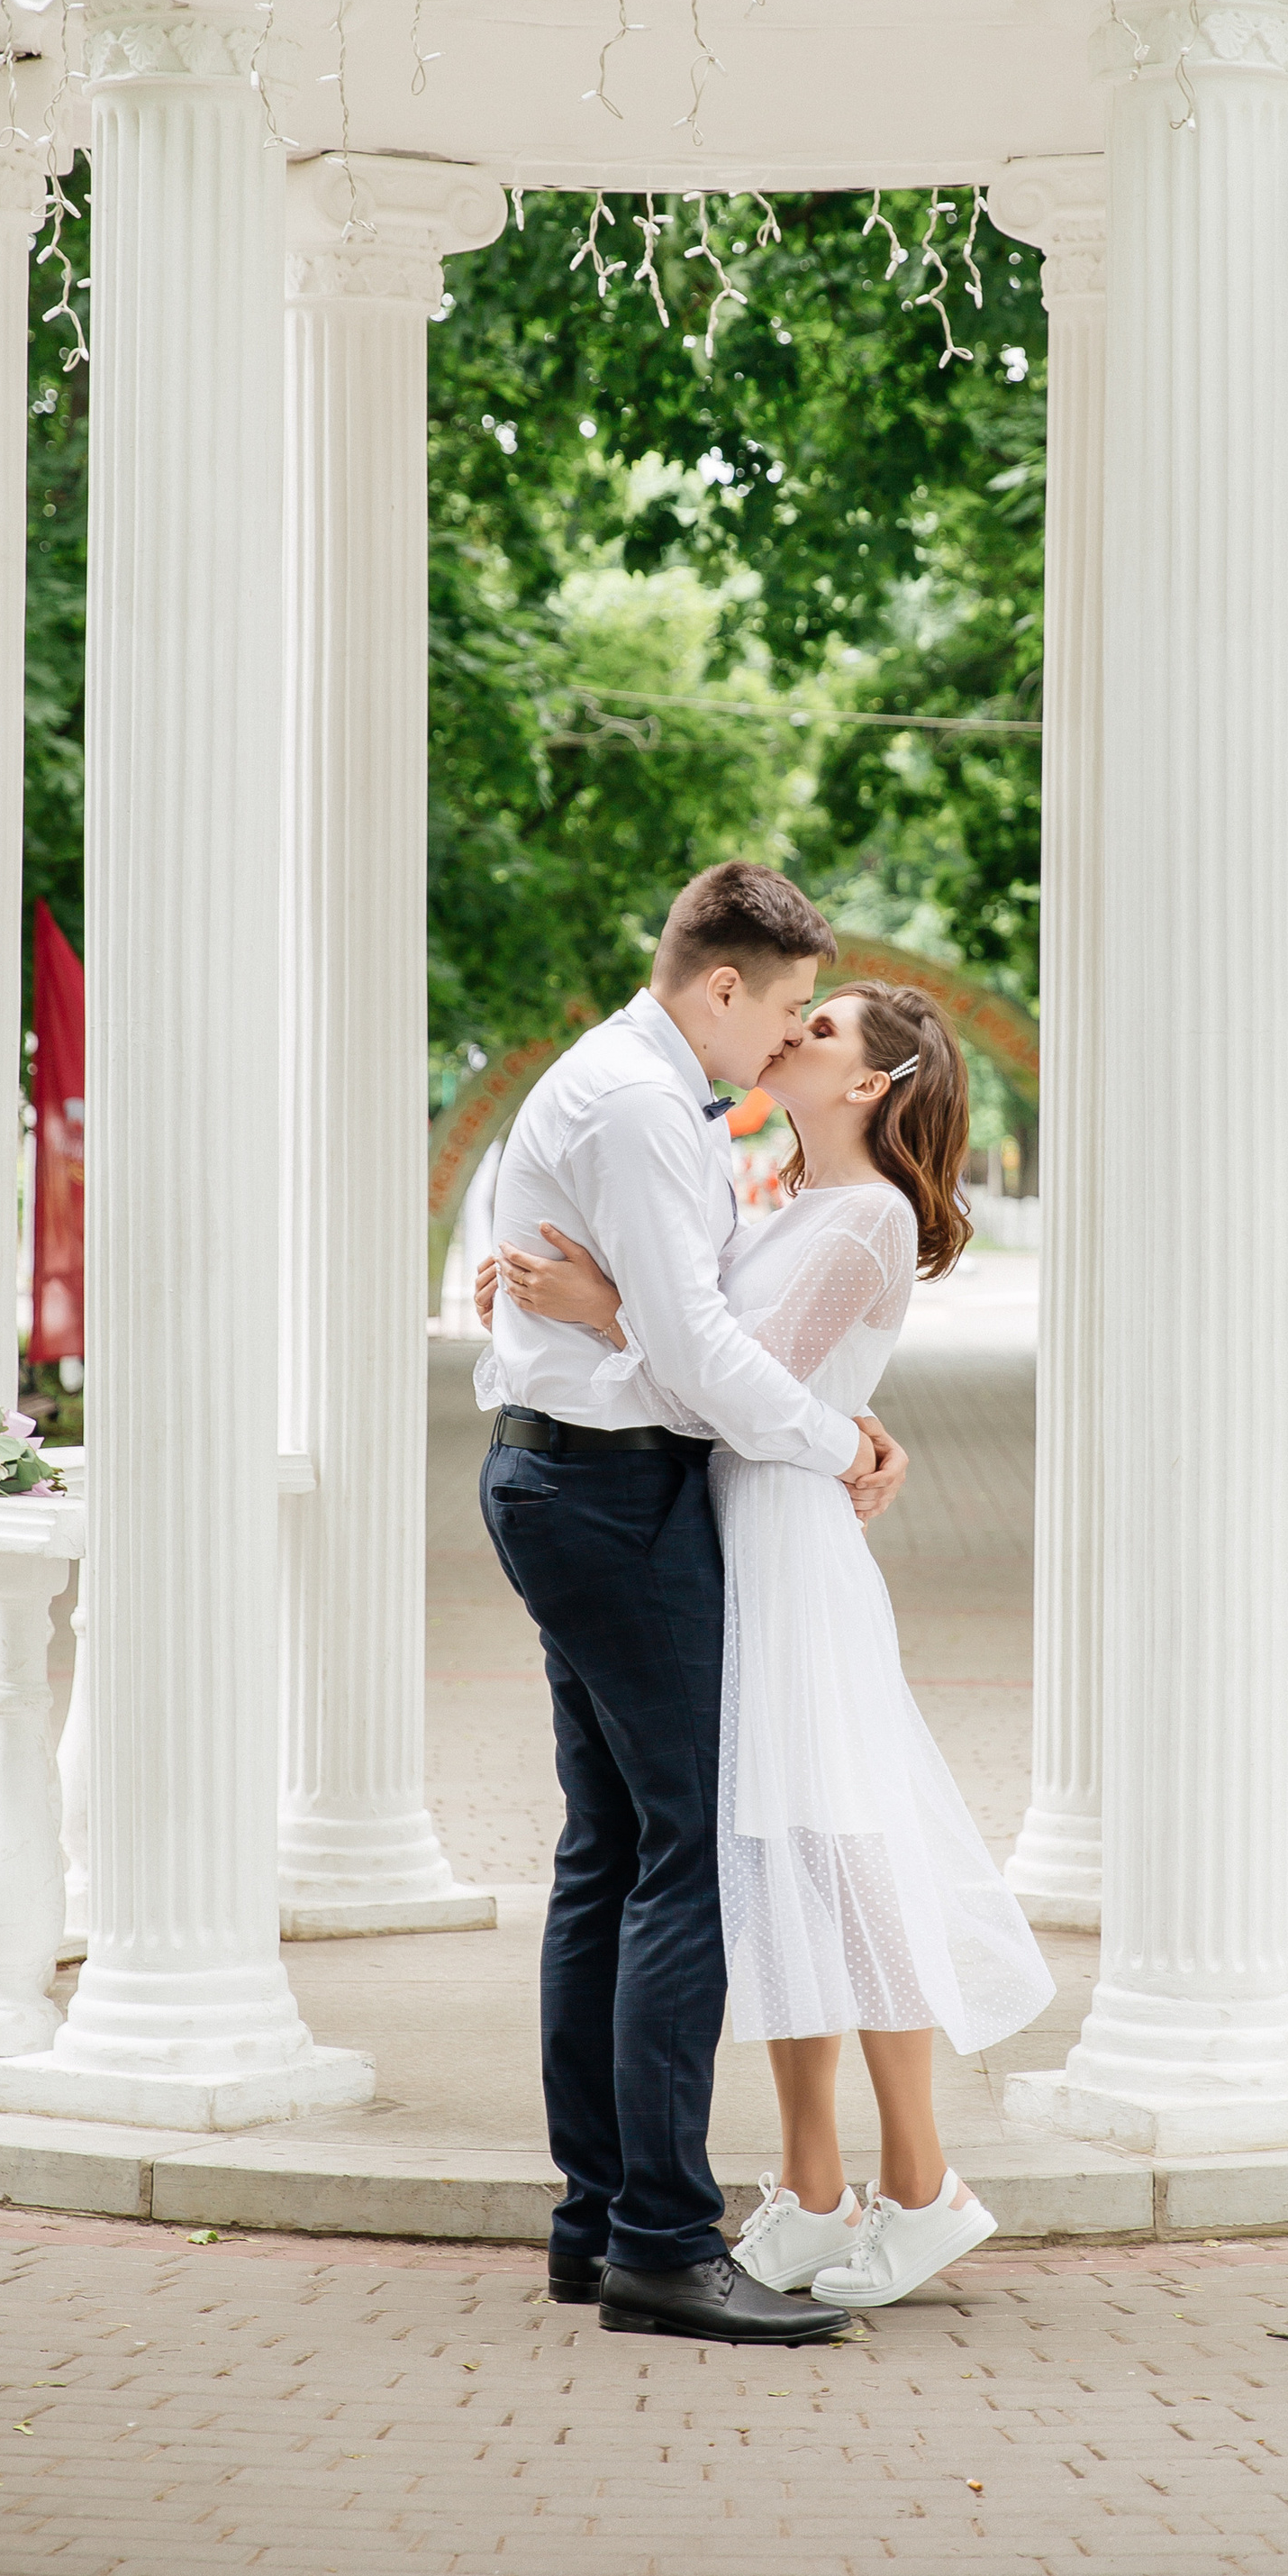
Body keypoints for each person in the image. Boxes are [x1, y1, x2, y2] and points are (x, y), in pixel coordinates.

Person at [491, 978, 1055, 2312]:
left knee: (842, 1850)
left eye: (824, 1028)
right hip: (729, 1526)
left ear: (871, 1085)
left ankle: (921, 2183)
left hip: (791, 1545)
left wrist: (601, 1308)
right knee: (774, 1862)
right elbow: (719, 1343)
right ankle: (807, 2191)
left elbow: (743, 1387)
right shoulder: (787, 1195)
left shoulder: (866, 1219)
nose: (793, 1033)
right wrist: (593, 1292)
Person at [476, 861, 909, 2348]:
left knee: (612, 1854)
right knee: (686, 1857)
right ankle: (661, 2238)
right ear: (721, 986)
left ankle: (599, 2222)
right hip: (605, 1492)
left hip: (583, 1481)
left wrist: (630, 1327)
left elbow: (685, 1327)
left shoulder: (635, 1090)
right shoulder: (645, 1107)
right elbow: (699, 1358)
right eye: (783, 1006)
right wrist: (841, 1438)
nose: (784, 1037)